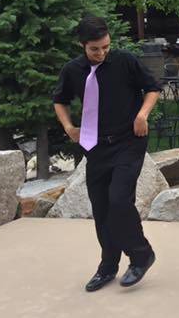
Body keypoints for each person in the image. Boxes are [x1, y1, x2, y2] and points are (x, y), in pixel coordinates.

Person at [52, 16, 160, 291]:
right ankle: (108, 265)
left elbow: (153, 88)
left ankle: (141, 254)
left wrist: (142, 115)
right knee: (101, 208)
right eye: (95, 49)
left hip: (129, 141)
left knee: (119, 200)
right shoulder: (73, 70)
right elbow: (60, 101)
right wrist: (68, 127)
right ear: (83, 45)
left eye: (105, 47)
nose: (101, 53)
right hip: (96, 147)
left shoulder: (125, 61)